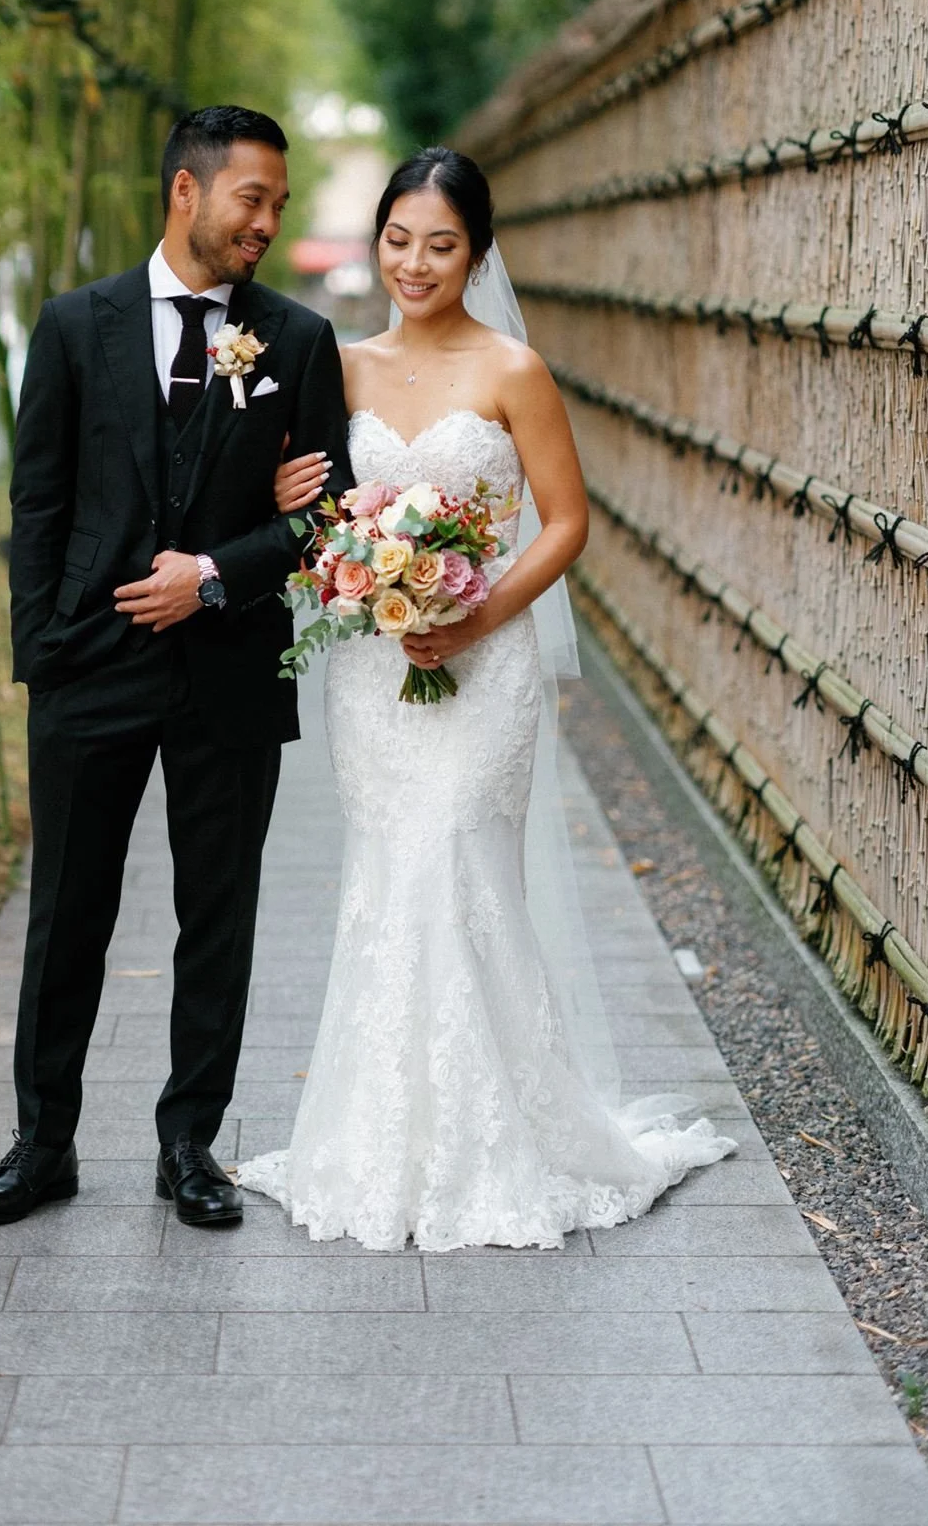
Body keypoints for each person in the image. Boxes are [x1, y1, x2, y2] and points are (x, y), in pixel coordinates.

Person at [238, 145, 734, 1251]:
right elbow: (308, 509)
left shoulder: (514, 369)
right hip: (374, 662)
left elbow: (564, 520)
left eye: (442, 244)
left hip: (486, 659)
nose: (415, 263)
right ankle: (381, 1143)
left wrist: (478, 609)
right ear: (379, 242)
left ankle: (499, 1141)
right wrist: (325, 536)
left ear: (477, 250)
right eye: (399, 239)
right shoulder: (339, 362)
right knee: (390, 876)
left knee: (461, 860)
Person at [0, 105, 351, 1230]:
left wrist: (217, 573)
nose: (268, 222)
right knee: (67, 911)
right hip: (91, 664)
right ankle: (43, 1144)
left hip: (228, 664)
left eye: (278, 202)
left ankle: (191, 1148)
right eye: (253, 199)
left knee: (216, 913)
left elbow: (326, 519)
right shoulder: (77, 326)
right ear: (187, 192)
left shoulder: (296, 341)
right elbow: (39, 499)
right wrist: (45, 649)